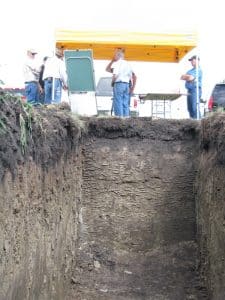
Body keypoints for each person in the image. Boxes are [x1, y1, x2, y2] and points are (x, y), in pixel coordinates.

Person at [106, 48, 136, 117]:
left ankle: (119, 119)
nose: (114, 57)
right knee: (125, 103)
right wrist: (131, 87)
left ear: (118, 56)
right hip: (127, 85)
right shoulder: (128, 64)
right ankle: (126, 118)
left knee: (118, 101)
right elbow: (132, 76)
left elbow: (115, 75)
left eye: (115, 55)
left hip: (119, 84)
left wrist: (112, 82)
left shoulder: (117, 63)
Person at [180, 55, 202, 119]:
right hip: (189, 90)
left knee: (194, 107)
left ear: (197, 60)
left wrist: (187, 77)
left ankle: (198, 122)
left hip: (195, 90)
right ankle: (192, 122)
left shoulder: (199, 70)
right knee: (189, 108)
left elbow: (190, 78)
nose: (191, 62)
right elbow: (182, 77)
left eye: (192, 60)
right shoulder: (190, 70)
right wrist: (188, 77)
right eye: (191, 61)